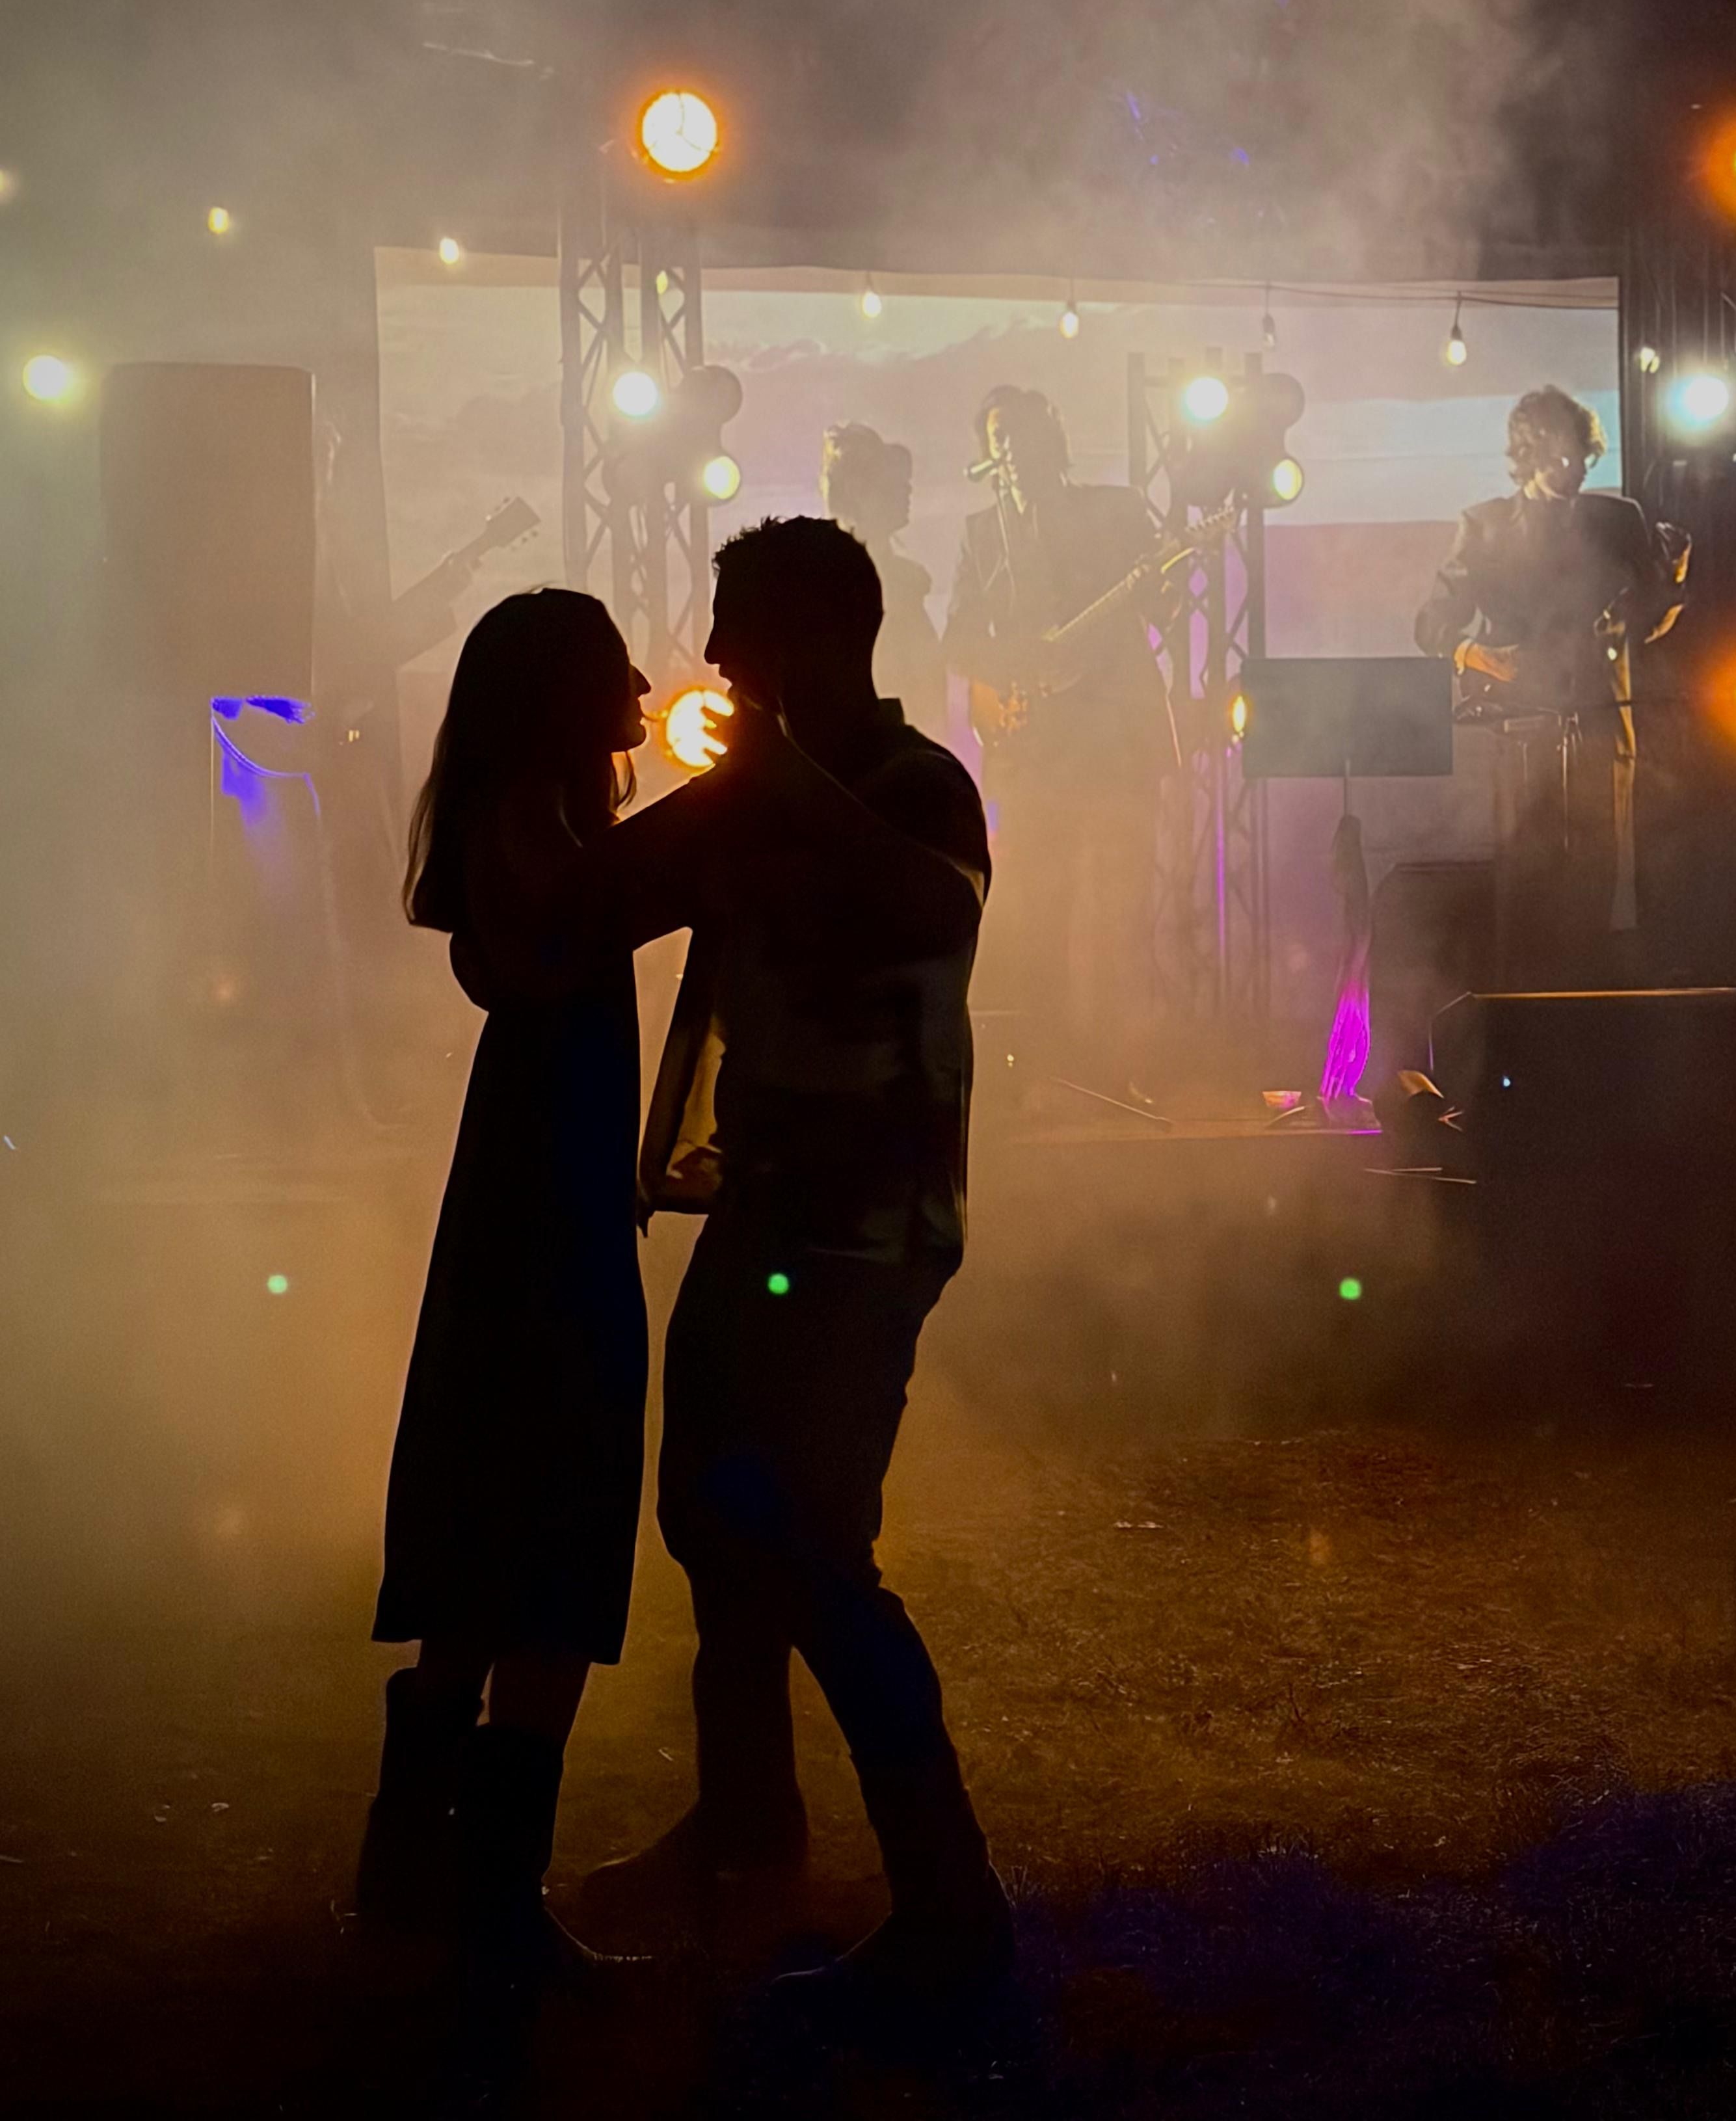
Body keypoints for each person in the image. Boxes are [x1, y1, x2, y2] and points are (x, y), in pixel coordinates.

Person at [581, 516, 1012, 2018]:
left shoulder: (913, 783)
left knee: (818, 1552)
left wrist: (773, 793)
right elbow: (582, 906)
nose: (710, 656)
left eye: (735, 625)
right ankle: (749, 1825)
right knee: (712, 1519)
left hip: (864, 1227)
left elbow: (932, 914)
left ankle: (952, 1906)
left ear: (812, 636)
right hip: (767, 1210)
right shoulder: (771, 793)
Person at [358, 589, 653, 2001]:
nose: (645, 687)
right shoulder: (538, 829)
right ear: (557, 699)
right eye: (615, 671)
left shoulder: (523, 819)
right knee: (551, 1519)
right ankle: (486, 1902)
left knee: (489, 1530)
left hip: (528, 1193)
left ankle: (414, 1871)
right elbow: (554, 943)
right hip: (550, 1205)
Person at [942, 386, 1177, 1096]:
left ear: (1055, 444)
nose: (1015, 451)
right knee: (1035, 907)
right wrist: (1010, 672)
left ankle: (1119, 1066)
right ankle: (1042, 1066)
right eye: (1001, 439)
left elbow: (1161, 603)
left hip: (1113, 739)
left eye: (1026, 436)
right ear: (990, 455)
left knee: (1121, 909)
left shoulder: (1114, 512)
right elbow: (959, 637)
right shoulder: (983, 533)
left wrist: (1154, 584)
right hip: (1031, 747)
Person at [1415, 384, 1688, 986]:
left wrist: (1672, 582)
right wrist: (1478, 656)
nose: (1578, 469)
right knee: (1528, 874)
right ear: (1530, 454)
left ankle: (1597, 997)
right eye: (1565, 456)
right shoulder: (1485, 526)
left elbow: (1647, 621)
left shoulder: (1619, 520)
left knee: (1602, 872)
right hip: (1520, 725)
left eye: (1584, 457)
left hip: (1602, 715)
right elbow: (1432, 624)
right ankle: (1524, 1000)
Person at [821, 421, 946, 740]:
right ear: (858, 491)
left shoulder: (901, 581)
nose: (907, 491)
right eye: (892, 483)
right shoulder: (839, 581)